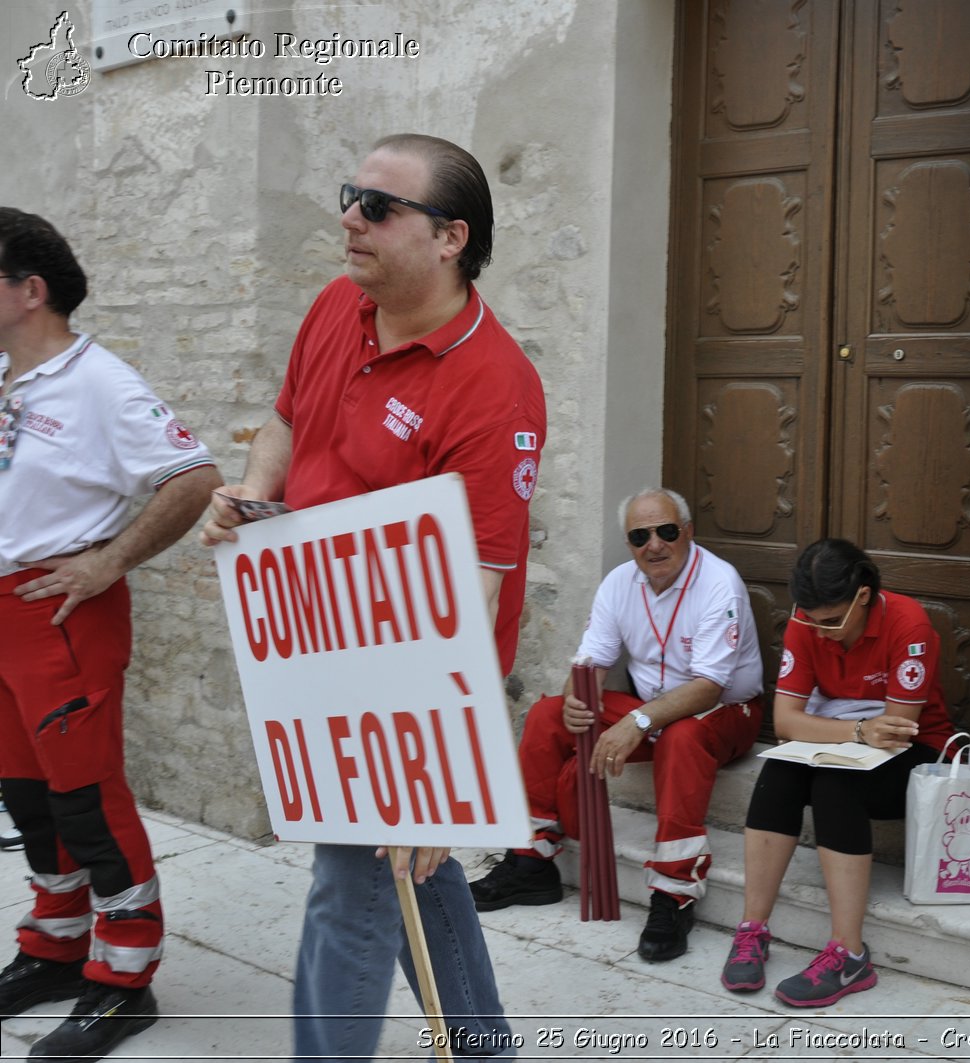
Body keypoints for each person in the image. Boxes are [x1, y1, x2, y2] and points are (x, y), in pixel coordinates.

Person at [199, 134, 546, 1060]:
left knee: (349, 891)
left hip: (417, 681)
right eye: (352, 194)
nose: (348, 217)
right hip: (319, 646)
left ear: (449, 237)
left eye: (378, 207)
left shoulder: (495, 386)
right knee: (414, 874)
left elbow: (477, 588)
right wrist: (250, 494)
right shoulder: (335, 307)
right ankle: (484, 1047)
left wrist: (436, 778)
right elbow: (287, 417)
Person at [0, 208, 222, 1060]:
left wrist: (108, 563)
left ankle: (125, 978)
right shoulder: (9, 377)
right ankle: (56, 946)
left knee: (88, 801)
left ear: (30, 290)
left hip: (61, 614)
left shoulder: (103, 383)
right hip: (5, 619)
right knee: (28, 798)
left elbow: (193, 477)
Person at [470, 487, 763, 962]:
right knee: (547, 714)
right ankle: (531, 862)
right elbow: (588, 667)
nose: (655, 545)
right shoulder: (618, 583)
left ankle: (673, 893)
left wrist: (636, 719)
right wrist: (572, 700)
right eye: (640, 535)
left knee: (684, 736)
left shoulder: (718, 582)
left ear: (687, 533)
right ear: (628, 543)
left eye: (667, 532)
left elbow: (710, 686)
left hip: (726, 712)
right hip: (649, 710)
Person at [720, 538, 955, 1007]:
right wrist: (858, 729)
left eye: (832, 621)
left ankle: (850, 955)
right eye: (810, 619)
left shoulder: (910, 625)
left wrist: (848, 731)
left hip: (917, 752)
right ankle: (752, 929)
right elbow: (785, 722)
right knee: (779, 773)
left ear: (864, 596)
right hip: (852, 735)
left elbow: (897, 732)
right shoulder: (805, 622)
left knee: (835, 784)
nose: (819, 631)